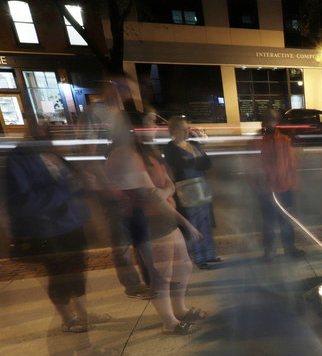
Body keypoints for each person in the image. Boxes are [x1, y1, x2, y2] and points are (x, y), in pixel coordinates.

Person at [105, 131, 205, 334]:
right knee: (161, 274)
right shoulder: (124, 157)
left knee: (183, 266)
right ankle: (169, 322)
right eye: (147, 124)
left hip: (165, 218)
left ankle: (180, 309)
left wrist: (165, 193)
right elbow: (150, 195)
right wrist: (185, 222)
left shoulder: (147, 153)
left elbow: (168, 183)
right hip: (149, 222)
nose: (152, 129)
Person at [6, 139, 110, 333]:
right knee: (59, 276)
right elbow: (21, 203)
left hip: (71, 224)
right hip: (45, 229)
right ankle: (68, 319)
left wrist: (83, 183)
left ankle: (83, 313)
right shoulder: (18, 160)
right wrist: (67, 188)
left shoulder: (54, 156)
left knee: (77, 270)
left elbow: (72, 186)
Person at [163, 116, 221, 269]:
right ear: (174, 131)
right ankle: (198, 258)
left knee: (206, 222)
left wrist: (193, 162)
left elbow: (207, 163)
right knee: (193, 224)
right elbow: (180, 164)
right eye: (183, 129)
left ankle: (209, 254)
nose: (187, 132)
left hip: (201, 187)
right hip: (186, 191)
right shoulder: (170, 148)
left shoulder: (193, 144)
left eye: (187, 128)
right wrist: (196, 162)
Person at [253, 110, 304, 261]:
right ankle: (269, 252)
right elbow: (252, 166)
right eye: (268, 121)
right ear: (264, 123)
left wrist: (292, 183)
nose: (270, 124)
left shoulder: (284, 140)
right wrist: (258, 185)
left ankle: (289, 248)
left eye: (273, 121)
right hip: (266, 190)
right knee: (268, 223)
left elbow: (291, 164)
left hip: (284, 188)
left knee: (286, 221)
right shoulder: (258, 141)